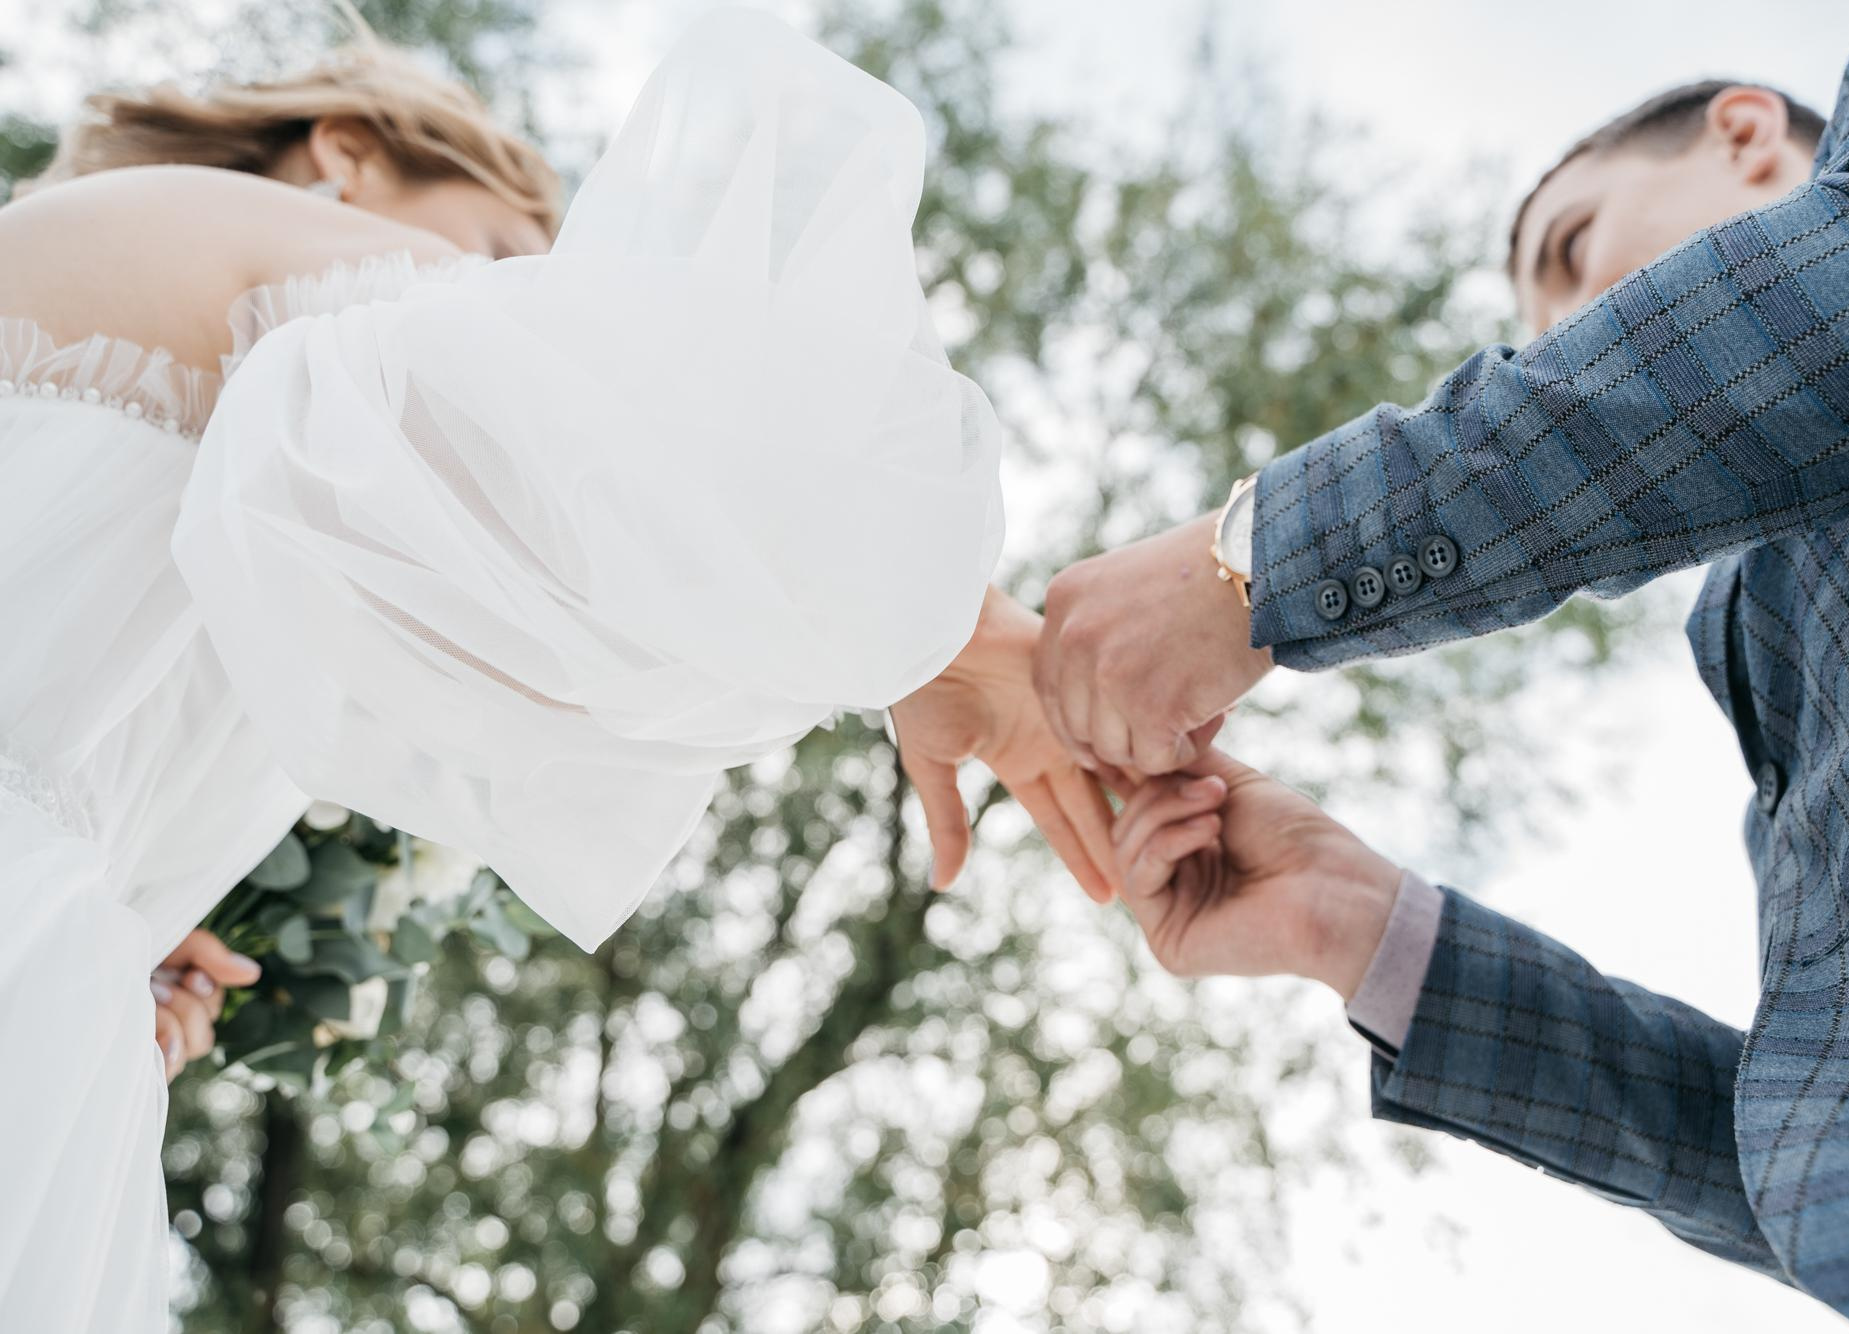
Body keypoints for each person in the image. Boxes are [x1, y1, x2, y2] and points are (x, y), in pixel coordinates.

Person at [0, 12, 1114, 1331]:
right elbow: (604, 441)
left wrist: (119, 925)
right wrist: (947, 633)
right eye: (500, 259)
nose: (508, 313)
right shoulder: (211, 237)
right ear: (344, 157)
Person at [1042, 1, 1849, 1328]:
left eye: (1574, 251)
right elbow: (1847, 1145)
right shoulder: (1761, 638)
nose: (1561, 337)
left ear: (1747, 134)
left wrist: (1263, 563)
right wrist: (1362, 925)